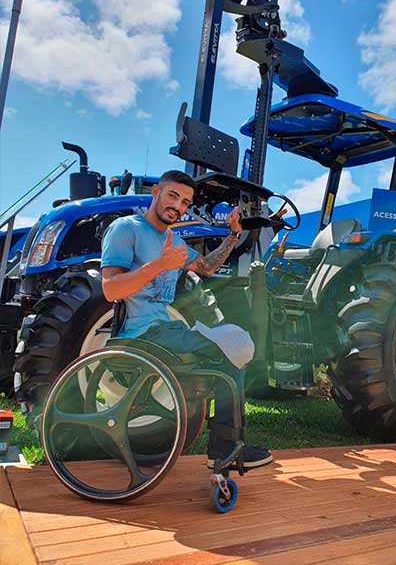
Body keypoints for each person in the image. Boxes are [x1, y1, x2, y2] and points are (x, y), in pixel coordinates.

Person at [100, 169, 272, 468]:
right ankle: (226, 449)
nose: (178, 206)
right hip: (141, 336)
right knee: (235, 344)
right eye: (172, 196)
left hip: (167, 331)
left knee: (234, 349)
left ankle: (227, 447)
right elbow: (111, 290)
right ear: (156, 192)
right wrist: (159, 265)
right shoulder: (125, 229)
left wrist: (233, 234)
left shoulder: (174, 241)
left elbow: (205, 267)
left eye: (184, 202)